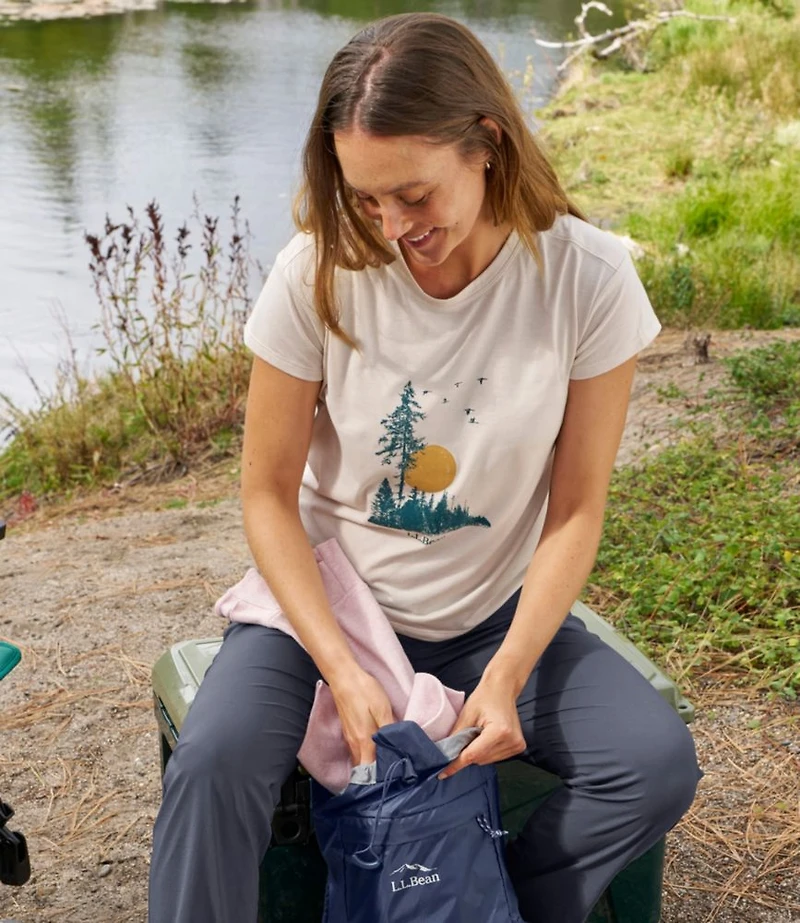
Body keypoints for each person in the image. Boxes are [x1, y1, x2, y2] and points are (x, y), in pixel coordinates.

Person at [148, 12, 701, 923]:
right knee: (214, 759)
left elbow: (575, 509)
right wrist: (344, 665)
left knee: (652, 764)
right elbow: (265, 493)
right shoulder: (316, 271)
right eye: (366, 200)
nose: (393, 227)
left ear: (486, 142)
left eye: (412, 193)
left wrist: (510, 670)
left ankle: (490, 906)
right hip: (326, 613)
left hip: (489, 619)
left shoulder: (590, 282)